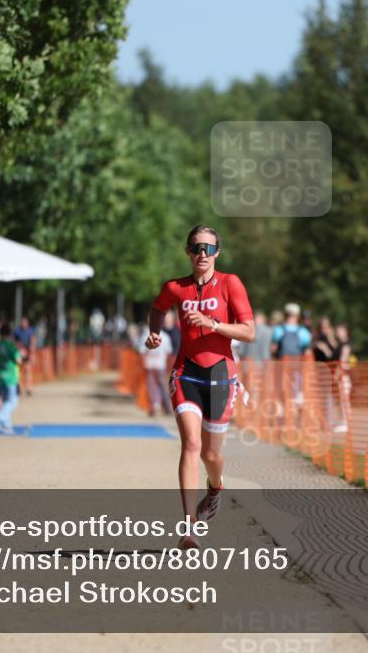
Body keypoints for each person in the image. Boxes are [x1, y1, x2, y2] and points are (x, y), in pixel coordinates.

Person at [145, 225, 254, 550]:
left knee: (211, 453)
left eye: (208, 248)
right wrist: (155, 334)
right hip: (186, 373)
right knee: (191, 445)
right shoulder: (175, 287)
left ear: (217, 252)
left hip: (220, 374)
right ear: (188, 252)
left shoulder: (230, 283)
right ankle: (189, 527)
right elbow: (157, 309)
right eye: (196, 247)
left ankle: (215, 488)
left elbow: (249, 332)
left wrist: (213, 324)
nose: (202, 254)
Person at [0, 322, 23, 435]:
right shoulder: (11, 346)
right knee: (13, 401)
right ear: (9, 334)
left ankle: (6, 423)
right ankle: (0, 417)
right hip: (10, 377)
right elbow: (18, 360)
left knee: (5, 400)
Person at [138, 326, 173, 416]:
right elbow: (168, 352)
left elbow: (142, 351)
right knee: (159, 386)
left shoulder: (146, 336)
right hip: (157, 365)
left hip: (153, 365)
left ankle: (159, 405)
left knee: (154, 386)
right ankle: (160, 406)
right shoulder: (165, 336)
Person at [13, 317, 36, 396]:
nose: (24, 324)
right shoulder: (17, 331)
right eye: (23, 323)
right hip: (19, 352)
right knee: (18, 370)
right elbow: (14, 341)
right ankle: (19, 386)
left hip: (28, 352)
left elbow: (33, 340)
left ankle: (29, 388)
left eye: (25, 323)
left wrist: (32, 352)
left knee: (28, 369)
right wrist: (19, 348)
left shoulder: (31, 330)